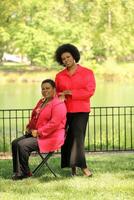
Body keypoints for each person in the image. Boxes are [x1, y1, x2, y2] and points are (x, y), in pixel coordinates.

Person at [11, 79, 67, 180]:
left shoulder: (58, 104)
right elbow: (34, 117)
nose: (45, 91)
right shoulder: (42, 102)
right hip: (37, 133)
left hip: (51, 137)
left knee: (22, 145)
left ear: (54, 89)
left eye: (47, 88)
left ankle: (23, 173)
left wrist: (39, 132)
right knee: (15, 143)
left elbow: (54, 124)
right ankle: (19, 171)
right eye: (43, 89)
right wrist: (29, 127)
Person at [54, 43, 96, 177]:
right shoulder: (59, 76)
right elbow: (57, 94)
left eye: (68, 57)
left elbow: (90, 91)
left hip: (81, 110)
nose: (66, 60)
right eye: (63, 59)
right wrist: (60, 96)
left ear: (74, 56)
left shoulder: (87, 73)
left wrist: (71, 93)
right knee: (67, 139)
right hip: (64, 111)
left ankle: (83, 167)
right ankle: (72, 168)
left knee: (78, 138)